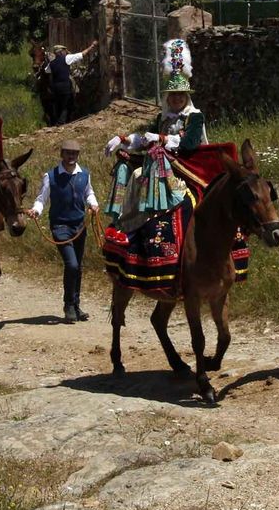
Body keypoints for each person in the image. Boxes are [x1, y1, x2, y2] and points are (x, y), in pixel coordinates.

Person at [105, 39, 206, 225]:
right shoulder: (163, 118)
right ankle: (120, 218)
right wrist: (123, 139)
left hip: (184, 165)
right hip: (162, 163)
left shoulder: (194, 117)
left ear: (186, 96)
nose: (176, 99)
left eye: (180, 95)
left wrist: (162, 139)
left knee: (139, 174)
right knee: (123, 167)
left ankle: (147, 216)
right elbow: (145, 138)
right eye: (172, 95)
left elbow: (189, 143)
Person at [28, 139, 100, 322]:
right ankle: (68, 305)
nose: (71, 157)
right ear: (62, 154)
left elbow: (88, 192)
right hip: (60, 226)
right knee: (72, 264)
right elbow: (42, 198)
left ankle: (76, 306)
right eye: (68, 153)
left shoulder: (84, 174)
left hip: (79, 226)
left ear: (78, 155)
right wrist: (36, 210)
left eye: (74, 154)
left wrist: (93, 204)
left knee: (78, 268)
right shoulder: (50, 176)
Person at [46, 40, 98, 126]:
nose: (65, 52)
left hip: (55, 87)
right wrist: (91, 46)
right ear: (61, 52)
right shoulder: (67, 58)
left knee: (58, 103)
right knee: (66, 104)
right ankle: (61, 123)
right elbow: (82, 54)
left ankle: (56, 122)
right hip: (64, 85)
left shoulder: (51, 63)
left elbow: (47, 71)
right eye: (64, 51)